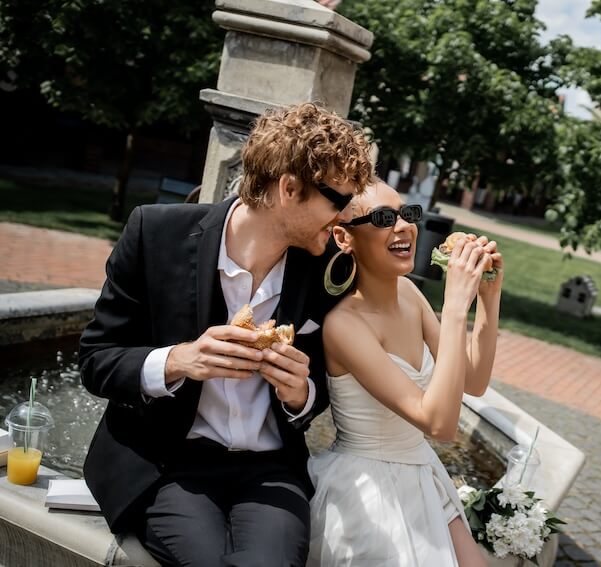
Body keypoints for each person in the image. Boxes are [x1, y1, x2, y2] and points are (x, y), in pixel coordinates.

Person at [79, 102, 374, 567]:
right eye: (338, 200)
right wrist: (179, 360)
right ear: (289, 188)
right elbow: (96, 360)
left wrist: (300, 392)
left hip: (270, 471)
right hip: (169, 464)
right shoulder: (156, 234)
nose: (346, 216)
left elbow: (315, 393)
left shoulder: (326, 269)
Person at [307, 181, 504, 566]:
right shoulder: (344, 326)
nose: (403, 226)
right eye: (383, 218)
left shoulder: (411, 295)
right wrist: (454, 305)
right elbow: (440, 425)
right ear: (343, 237)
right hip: (371, 493)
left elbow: (474, 382)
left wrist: (487, 296)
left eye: (407, 214)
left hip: (423, 477)